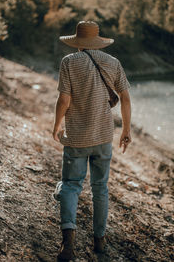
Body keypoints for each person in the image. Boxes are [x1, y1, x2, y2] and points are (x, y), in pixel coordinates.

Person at [53, 21, 131, 261]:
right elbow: (125, 98)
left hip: (76, 137)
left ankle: (68, 244)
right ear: (98, 41)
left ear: (77, 42)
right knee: (100, 189)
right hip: (103, 137)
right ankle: (99, 241)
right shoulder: (113, 62)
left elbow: (64, 100)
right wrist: (126, 130)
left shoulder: (68, 62)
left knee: (71, 185)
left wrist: (56, 126)